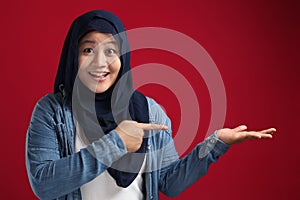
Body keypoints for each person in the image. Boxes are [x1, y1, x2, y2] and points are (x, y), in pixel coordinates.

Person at [25, 10, 276, 200]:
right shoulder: (53, 112)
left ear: (123, 57)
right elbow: (44, 184)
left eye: (111, 51)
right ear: (73, 56)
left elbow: (169, 183)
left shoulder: (148, 110)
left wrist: (215, 144)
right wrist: (117, 142)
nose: (100, 62)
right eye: (88, 50)